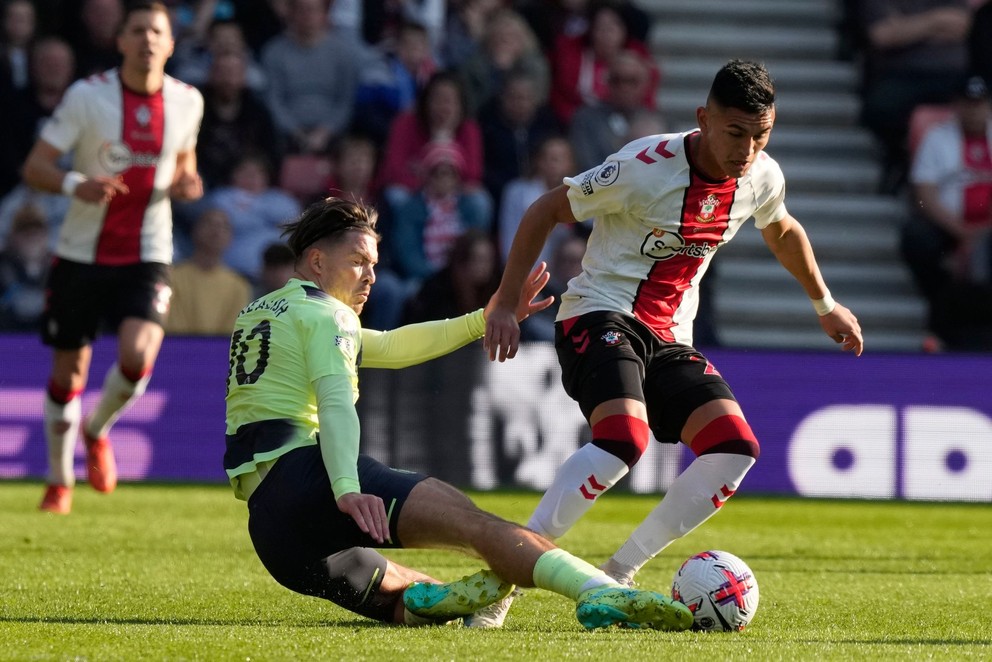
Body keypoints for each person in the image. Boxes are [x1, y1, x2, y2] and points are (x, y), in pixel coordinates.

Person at [474, 59, 864, 628]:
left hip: (670, 335)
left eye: (761, 135)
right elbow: (546, 209)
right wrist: (504, 301)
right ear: (703, 119)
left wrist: (825, 305)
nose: (747, 150)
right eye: (736, 133)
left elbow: (780, 228)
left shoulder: (761, 176)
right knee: (622, 441)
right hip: (598, 313)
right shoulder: (643, 166)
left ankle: (620, 574)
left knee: (735, 449)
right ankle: (504, 580)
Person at [223, 196, 693, 631]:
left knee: (411, 601)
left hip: (271, 529)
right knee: (477, 525)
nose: (369, 276)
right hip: (310, 479)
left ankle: (460, 601)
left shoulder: (261, 312)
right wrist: (346, 488)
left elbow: (388, 344)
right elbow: (336, 402)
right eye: (358, 262)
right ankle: (600, 590)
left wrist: (479, 320)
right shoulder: (329, 314)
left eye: (374, 265)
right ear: (317, 262)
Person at [22, 0, 204, 515]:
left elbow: (185, 165)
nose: (148, 39)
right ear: (120, 40)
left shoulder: (189, 101)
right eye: (138, 30)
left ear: (170, 44)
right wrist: (76, 184)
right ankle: (60, 482)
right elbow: (35, 167)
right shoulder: (87, 97)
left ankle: (97, 429)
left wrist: (189, 183)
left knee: (139, 354)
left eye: (157, 31)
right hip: (81, 253)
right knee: (68, 376)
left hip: (148, 250)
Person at [902, 74, 992, 350]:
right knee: (918, 240)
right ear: (957, 105)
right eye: (968, 103)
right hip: (948, 228)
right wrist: (961, 231)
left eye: (980, 103)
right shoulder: (937, 138)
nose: (974, 110)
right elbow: (924, 193)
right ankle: (940, 330)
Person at [166, 208, 252, 335]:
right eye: (209, 223)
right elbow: (173, 329)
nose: (217, 230)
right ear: (195, 231)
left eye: (224, 226)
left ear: (231, 237)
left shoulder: (239, 286)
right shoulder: (172, 278)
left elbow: (234, 334)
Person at [0, 203, 50, 331]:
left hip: (48, 335)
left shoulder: (60, 267)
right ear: (13, 237)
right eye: (25, 232)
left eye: (37, 232)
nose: (32, 237)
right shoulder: (3, 265)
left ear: (46, 236)